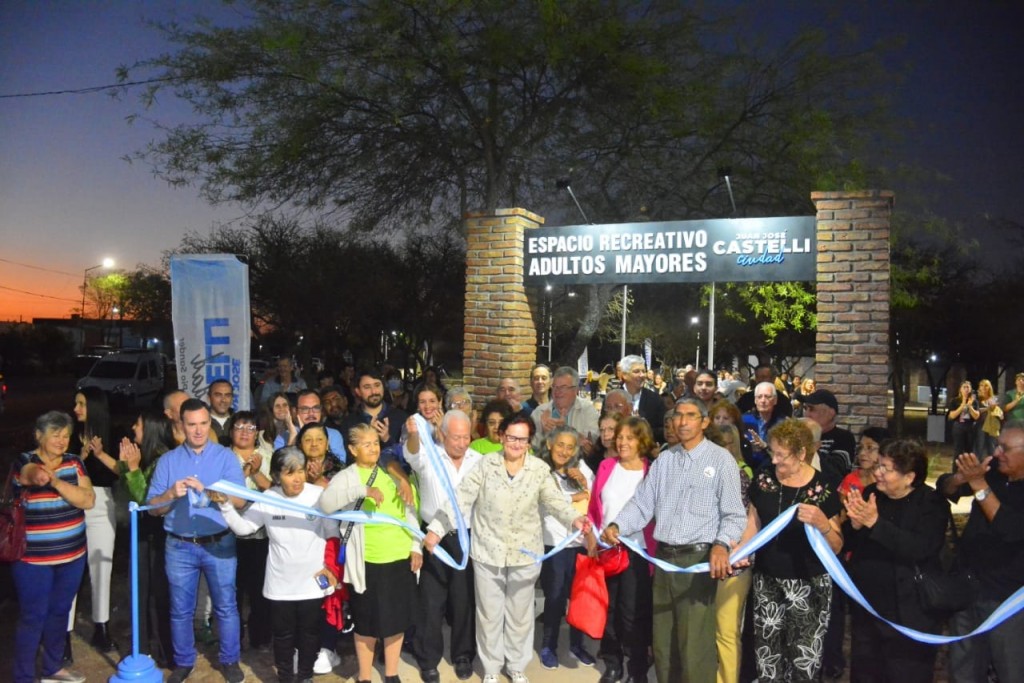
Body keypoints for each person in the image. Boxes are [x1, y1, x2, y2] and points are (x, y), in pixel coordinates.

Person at [422, 414, 590, 683]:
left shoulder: (538, 470)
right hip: (488, 553)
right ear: (502, 437)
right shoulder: (485, 465)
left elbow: (555, 501)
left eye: (522, 439)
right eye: (511, 437)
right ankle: (490, 668)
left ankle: (516, 665)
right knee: (489, 615)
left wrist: (574, 518)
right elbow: (461, 498)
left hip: (525, 556)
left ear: (529, 442)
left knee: (520, 616)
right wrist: (436, 530)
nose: (515, 443)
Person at [601, 398, 747, 683]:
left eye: (690, 416)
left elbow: (734, 515)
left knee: (694, 644)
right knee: (664, 641)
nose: (682, 422)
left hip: (697, 563)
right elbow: (642, 504)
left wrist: (721, 544)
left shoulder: (721, 461)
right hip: (664, 560)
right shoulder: (665, 459)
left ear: (704, 422)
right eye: (678, 416)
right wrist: (618, 525)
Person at [213, 447, 340, 683]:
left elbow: (333, 533)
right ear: (276, 475)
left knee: (310, 634)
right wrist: (225, 506)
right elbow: (244, 528)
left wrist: (331, 568)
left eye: (301, 471)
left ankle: (304, 676)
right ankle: (285, 677)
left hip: (313, 581)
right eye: (290, 473)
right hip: (280, 584)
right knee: (282, 636)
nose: (297, 478)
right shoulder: (268, 498)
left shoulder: (319, 496)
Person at [145, 398, 247, 683]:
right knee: (180, 609)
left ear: (209, 424)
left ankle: (229, 660)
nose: (199, 430)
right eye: (192, 425)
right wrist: (169, 495)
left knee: (226, 605)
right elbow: (153, 508)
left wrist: (216, 493)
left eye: (204, 423)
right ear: (182, 425)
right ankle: (184, 661)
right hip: (179, 545)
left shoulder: (226, 457)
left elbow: (241, 501)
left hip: (219, 543)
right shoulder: (168, 461)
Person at [739, 418, 843, 683]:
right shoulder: (764, 477)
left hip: (808, 584)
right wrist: (741, 551)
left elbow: (837, 546)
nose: (774, 460)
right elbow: (754, 521)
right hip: (768, 580)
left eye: (781, 455)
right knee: (767, 658)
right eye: (772, 452)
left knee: (803, 661)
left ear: (801, 454)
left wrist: (822, 524)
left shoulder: (825, 487)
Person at [319, 424, 422, 683]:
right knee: (366, 622)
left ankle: (391, 673)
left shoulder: (392, 474)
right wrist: (362, 491)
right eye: (366, 444)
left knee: (396, 620)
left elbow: (410, 512)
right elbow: (327, 504)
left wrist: (415, 546)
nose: (373, 448)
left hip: (398, 558)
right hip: (365, 561)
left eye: (375, 443)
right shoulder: (347, 477)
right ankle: (365, 676)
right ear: (352, 450)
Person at [843, 438, 949, 683]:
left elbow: (920, 548)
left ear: (909, 476)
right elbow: (851, 543)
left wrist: (875, 524)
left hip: (909, 614)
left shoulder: (930, 504)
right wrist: (855, 526)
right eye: (879, 465)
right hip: (868, 608)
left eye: (886, 469)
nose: (878, 473)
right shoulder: (872, 495)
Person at [11, 411, 95, 683]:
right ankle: (23, 676)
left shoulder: (74, 463)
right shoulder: (24, 460)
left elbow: (87, 500)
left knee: (60, 612)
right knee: (33, 616)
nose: (62, 440)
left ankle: (52, 669)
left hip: (72, 555)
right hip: (32, 560)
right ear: (39, 435)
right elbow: (29, 475)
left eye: (66, 435)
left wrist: (56, 480)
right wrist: (39, 473)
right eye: (55, 435)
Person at [938, 420, 1024, 683]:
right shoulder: (994, 474)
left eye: (1005, 448)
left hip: (1007, 601)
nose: (997, 453)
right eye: (998, 445)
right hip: (967, 588)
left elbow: (1009, 529)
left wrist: (978, 485)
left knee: (1010, 667)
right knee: (964, 667)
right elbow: (944, 488)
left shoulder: (989, 483)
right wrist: (959, 479)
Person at [404, 411, 483, 682]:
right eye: (456, 437)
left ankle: (463, 655)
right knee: (431, 601)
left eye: (466, 437)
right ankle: (428, 659)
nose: (461, 443)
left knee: (464, 600)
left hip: (466, 536)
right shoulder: (429, 456)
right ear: (443, 434)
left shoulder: (479, 461)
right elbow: (411, 454)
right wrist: (414, 433)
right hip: (432, 538)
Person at [589, 417, 657, 683]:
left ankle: (637, 669)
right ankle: (613, 662)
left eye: (630, 437)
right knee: (607, 610)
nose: (623, 442)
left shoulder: (650, 472)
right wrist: (592, 536)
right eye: (620, 437)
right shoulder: (606, 466)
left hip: (636, 553)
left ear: (642, 441)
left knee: (633, 615)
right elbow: (595, 509)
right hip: (604, 550)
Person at [118, 408, 178, 667]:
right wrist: (128, 467)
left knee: (157, 595)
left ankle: (162, 650)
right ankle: (143, 647)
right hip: (145, 536)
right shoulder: (149, 457)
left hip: (157, 538)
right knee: (142, 593)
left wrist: (131, 469)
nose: (134, 428)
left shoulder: (162, 460)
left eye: (139, 425)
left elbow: (147, 503)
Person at [536, 426, 596, 670]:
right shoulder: (540, 470)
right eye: (560, 444)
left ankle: (576, 644)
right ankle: (548, 645)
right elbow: (542, 502)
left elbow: (593, 501)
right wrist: (572, 498)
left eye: (570, 447)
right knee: (555, 598)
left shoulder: (582, 469)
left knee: (578, 597)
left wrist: (584, 486)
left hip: (579, 544)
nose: (564, 451)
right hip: (553, 544)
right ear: (549, 444)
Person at [71, 386, 119, 653]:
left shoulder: (114, 433)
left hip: (102, 503)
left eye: (81, 404)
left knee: (102, 567)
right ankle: (64, 632)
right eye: (76, 403)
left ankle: (101, 627)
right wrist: (81, 457)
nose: (76, 409)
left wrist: (99, 454)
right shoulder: (67, 436)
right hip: (73, 503)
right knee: (70, 572)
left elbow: (122, 471)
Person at [225, 411, 273, 652]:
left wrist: (255, 472)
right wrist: (243, 475)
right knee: (232, 589)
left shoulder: (267, 455)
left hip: (261, 534)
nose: (244, 432)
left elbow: (276, 490)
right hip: (228, 533)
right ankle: (233, 639)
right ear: (231, 430)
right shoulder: (222, 456)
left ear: (257, 432)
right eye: (239, 426)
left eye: (250, 427)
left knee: (259, 588)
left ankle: (260, 636)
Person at [530, 366, 599, 454]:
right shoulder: (539, 412)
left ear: (575, 390)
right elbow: (531, 450)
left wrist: (566, 430)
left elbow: (594, 446)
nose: (557, 392)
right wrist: (544, 434)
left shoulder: (588, 411)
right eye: (555, 387)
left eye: (563, 387)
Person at [801, 389, 857, 489]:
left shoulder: (843, 437)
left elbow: (837, 470)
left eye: (812, 409)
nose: (807, 414)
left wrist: (810, 446)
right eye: (805, 408)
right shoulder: (800, 435)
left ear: (830, 413)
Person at [618, 355, 667, 442]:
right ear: (624, 375)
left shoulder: (655, 400)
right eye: (636, 371)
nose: (642, 375)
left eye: (643, 371)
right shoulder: (613, 398)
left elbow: (664, 431)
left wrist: (644, 428)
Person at [740, 382, 785, 471]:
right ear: (755, 400)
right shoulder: (744, 420)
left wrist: (765, 446)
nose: (763, 400)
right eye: (759, 397)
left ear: (775, 400)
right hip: (747, 469)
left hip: (773, 469)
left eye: (767, 397)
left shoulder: (783, 423)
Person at [838, 426, 890, 501]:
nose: (862, 453)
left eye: (870, 448)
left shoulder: (892, 481)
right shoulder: (851, 479)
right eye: (861, 447)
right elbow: (843, 510)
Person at [946, 380, 978, 458]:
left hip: (970, 426)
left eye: (968, 387)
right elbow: (951, 416)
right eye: (964, 387)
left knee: (969, 451)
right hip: (958, 426)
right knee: (958, 451)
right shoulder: (955, 401)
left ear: (970, 389)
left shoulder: (974, 402)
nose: (966, 389)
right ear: (960, 389)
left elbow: (976, 416)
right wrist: (962, 405)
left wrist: (970, 406)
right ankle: (956, 469)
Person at [974, 378, 1000, 457]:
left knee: (992, 448)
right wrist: (988, 408)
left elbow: (999, 412)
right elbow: (976, 410)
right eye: (982, 385)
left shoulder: (995, 399)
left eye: (986, 386)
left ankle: (992, 466)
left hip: (992, 426)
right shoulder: (977, 400)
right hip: (980, 425)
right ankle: (978, 466)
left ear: (990, 387)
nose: (984, 388)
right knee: (979, 447)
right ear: (979, 387)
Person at [208, 379, 235, 445]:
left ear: (232, 398)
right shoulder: (200, 422)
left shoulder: (238, 421)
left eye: (227, 395)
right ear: (209, 397)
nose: (223, 400)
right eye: (218, 395)